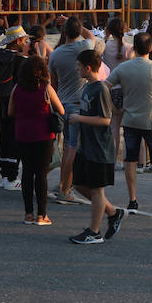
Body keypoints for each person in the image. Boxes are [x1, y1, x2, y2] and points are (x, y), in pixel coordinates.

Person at [112, 31, 152, 217]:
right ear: (151, 48)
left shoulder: (123, 68)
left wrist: (114, 107)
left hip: (130, 119)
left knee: (130, 160)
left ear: (134, 48)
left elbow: (105, 85)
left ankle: (132, 201)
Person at [67, 49, 123, 245]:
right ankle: (113, 212)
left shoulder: (100, 89)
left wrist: (79, 118)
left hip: (100, 148)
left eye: (79, 66)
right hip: (87, 146)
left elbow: (106, 119)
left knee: (97, 190)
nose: (77, 69)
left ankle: (94, 231)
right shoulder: (88, 88)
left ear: (88, 68)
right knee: (79, 184)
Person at [10, 55, 64, 226]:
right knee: (41, 174)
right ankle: (42, 215)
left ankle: (28, 214)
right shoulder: (46, 89)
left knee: (27, 172)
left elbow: (11, 112)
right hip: (43, 135)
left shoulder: (17, 88)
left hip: (23, 134)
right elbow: (61, 110)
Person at [48, 17, 95, 205]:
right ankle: (65, 189)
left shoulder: (56, 54)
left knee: (67, 146)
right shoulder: (83, 47)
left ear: (64, 33)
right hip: (77, 104)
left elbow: (54, 81)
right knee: (72, 148)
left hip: (61, 103)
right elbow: (90, 35)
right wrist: (73, 22)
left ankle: (62, 184)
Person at [0, 26, 27, 190]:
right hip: (15, 105)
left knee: (4, 137)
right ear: (17, 41)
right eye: (24, 40)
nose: (25, 42)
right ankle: (12, 177)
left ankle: (5, 175)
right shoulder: (20, 61)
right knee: (14, 140)